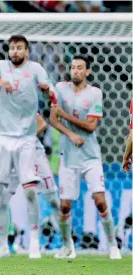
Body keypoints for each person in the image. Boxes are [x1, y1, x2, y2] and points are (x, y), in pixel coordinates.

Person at [0, 34, 57, 259]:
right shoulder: (1, 67)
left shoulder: (36, 69)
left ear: (27, 51)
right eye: (12, 48)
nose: (15, 52)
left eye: (19, 48)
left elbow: (49, 88)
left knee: (30, 192)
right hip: (4, 140)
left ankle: (35, 242)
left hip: (27, 139)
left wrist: (48, 90)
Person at [50, 55, 121, 260]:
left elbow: (91, 126)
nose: (76, 71)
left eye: (80, 68)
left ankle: (112, 245)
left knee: (99, 201)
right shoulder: (60, 88)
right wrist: (71, 134)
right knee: (64, 206)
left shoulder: (95, 93)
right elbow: (53, 119)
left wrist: (65, 115)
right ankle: (66, 246)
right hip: (68, 156)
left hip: (90, 157)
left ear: (87, 72)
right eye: (73, 68)